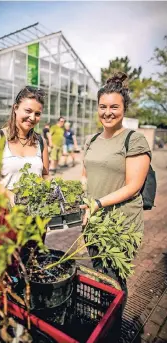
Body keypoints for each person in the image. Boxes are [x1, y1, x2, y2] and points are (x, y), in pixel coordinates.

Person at [81, 72, 151, 304]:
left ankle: (111, 328)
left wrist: (98, 203)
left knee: (113, 281)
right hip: (93, 220)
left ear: (124, 109)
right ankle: (101, 320)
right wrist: (79, 198)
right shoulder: (92, 140)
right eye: (102, 106)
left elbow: (134, 186)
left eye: (114, 107)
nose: (107, 112)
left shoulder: (134, 139)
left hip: (120, 224)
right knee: (100, 273)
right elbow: (85, 175)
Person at [0, 86, 49, 207]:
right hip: (4, 213)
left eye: (37, 114)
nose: (32, 118)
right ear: (15, 108)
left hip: (35, 214)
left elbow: (45, 175)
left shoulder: (40, 142)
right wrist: (11, 196)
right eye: (28, 111)